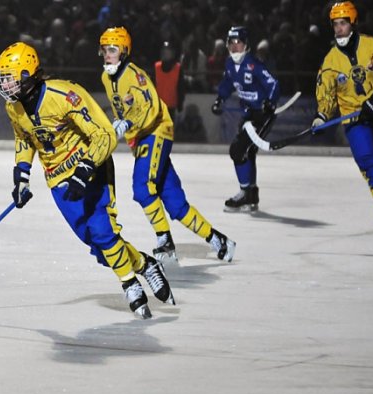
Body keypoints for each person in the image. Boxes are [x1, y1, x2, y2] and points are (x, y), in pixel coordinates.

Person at [0, 41, 173, 319]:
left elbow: (104, 134)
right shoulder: (14, 108)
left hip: (91, 167)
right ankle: (143, 263)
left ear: (27, 75)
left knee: (103, 231)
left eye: (9, 78)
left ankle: (129, 285)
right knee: (97, 243)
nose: (4, 85)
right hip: (58, 180)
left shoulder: (64, 94)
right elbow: (24, 137)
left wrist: (84, 169)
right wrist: (22, 177)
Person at [98, 27, 236, 265]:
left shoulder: (134, 75)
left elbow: (149, 108)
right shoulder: (106, 78)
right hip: (141, 138)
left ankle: (165, 241)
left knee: (142, 187)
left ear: (124, 51)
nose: (107, 54)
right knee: (175, 204)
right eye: (104, 50)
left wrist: (128, 123)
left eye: (112, 49)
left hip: (155, 130)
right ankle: (219, 241)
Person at [314, 1, 373, 238]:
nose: (339, 29)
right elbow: (326, 94)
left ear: (353, 22)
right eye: (335, 24)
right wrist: (321, 116)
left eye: (343, 23)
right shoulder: (330, 62)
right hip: (356, 119)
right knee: (370, 164)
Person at [211, 26, 280, 212]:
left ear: (246, 45)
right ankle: (251, 194)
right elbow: (227, 83)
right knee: (248, 152)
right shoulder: (229, 64)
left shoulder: (253, 64)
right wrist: (220, 99)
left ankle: (244, 193)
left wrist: (270, 102)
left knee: (238, 150)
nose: (234, 47)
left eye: (238, 43)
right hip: (248, 114)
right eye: (231, 43)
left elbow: (273, 84)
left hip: (261, 115)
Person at [154, 41, 185, 122]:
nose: (165, 54)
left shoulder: (178, 69)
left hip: (171, 108)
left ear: (173, 54)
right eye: (163, 51)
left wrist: (180, 107)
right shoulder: (156, 67)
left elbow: (181, 89)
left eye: (168, 51)